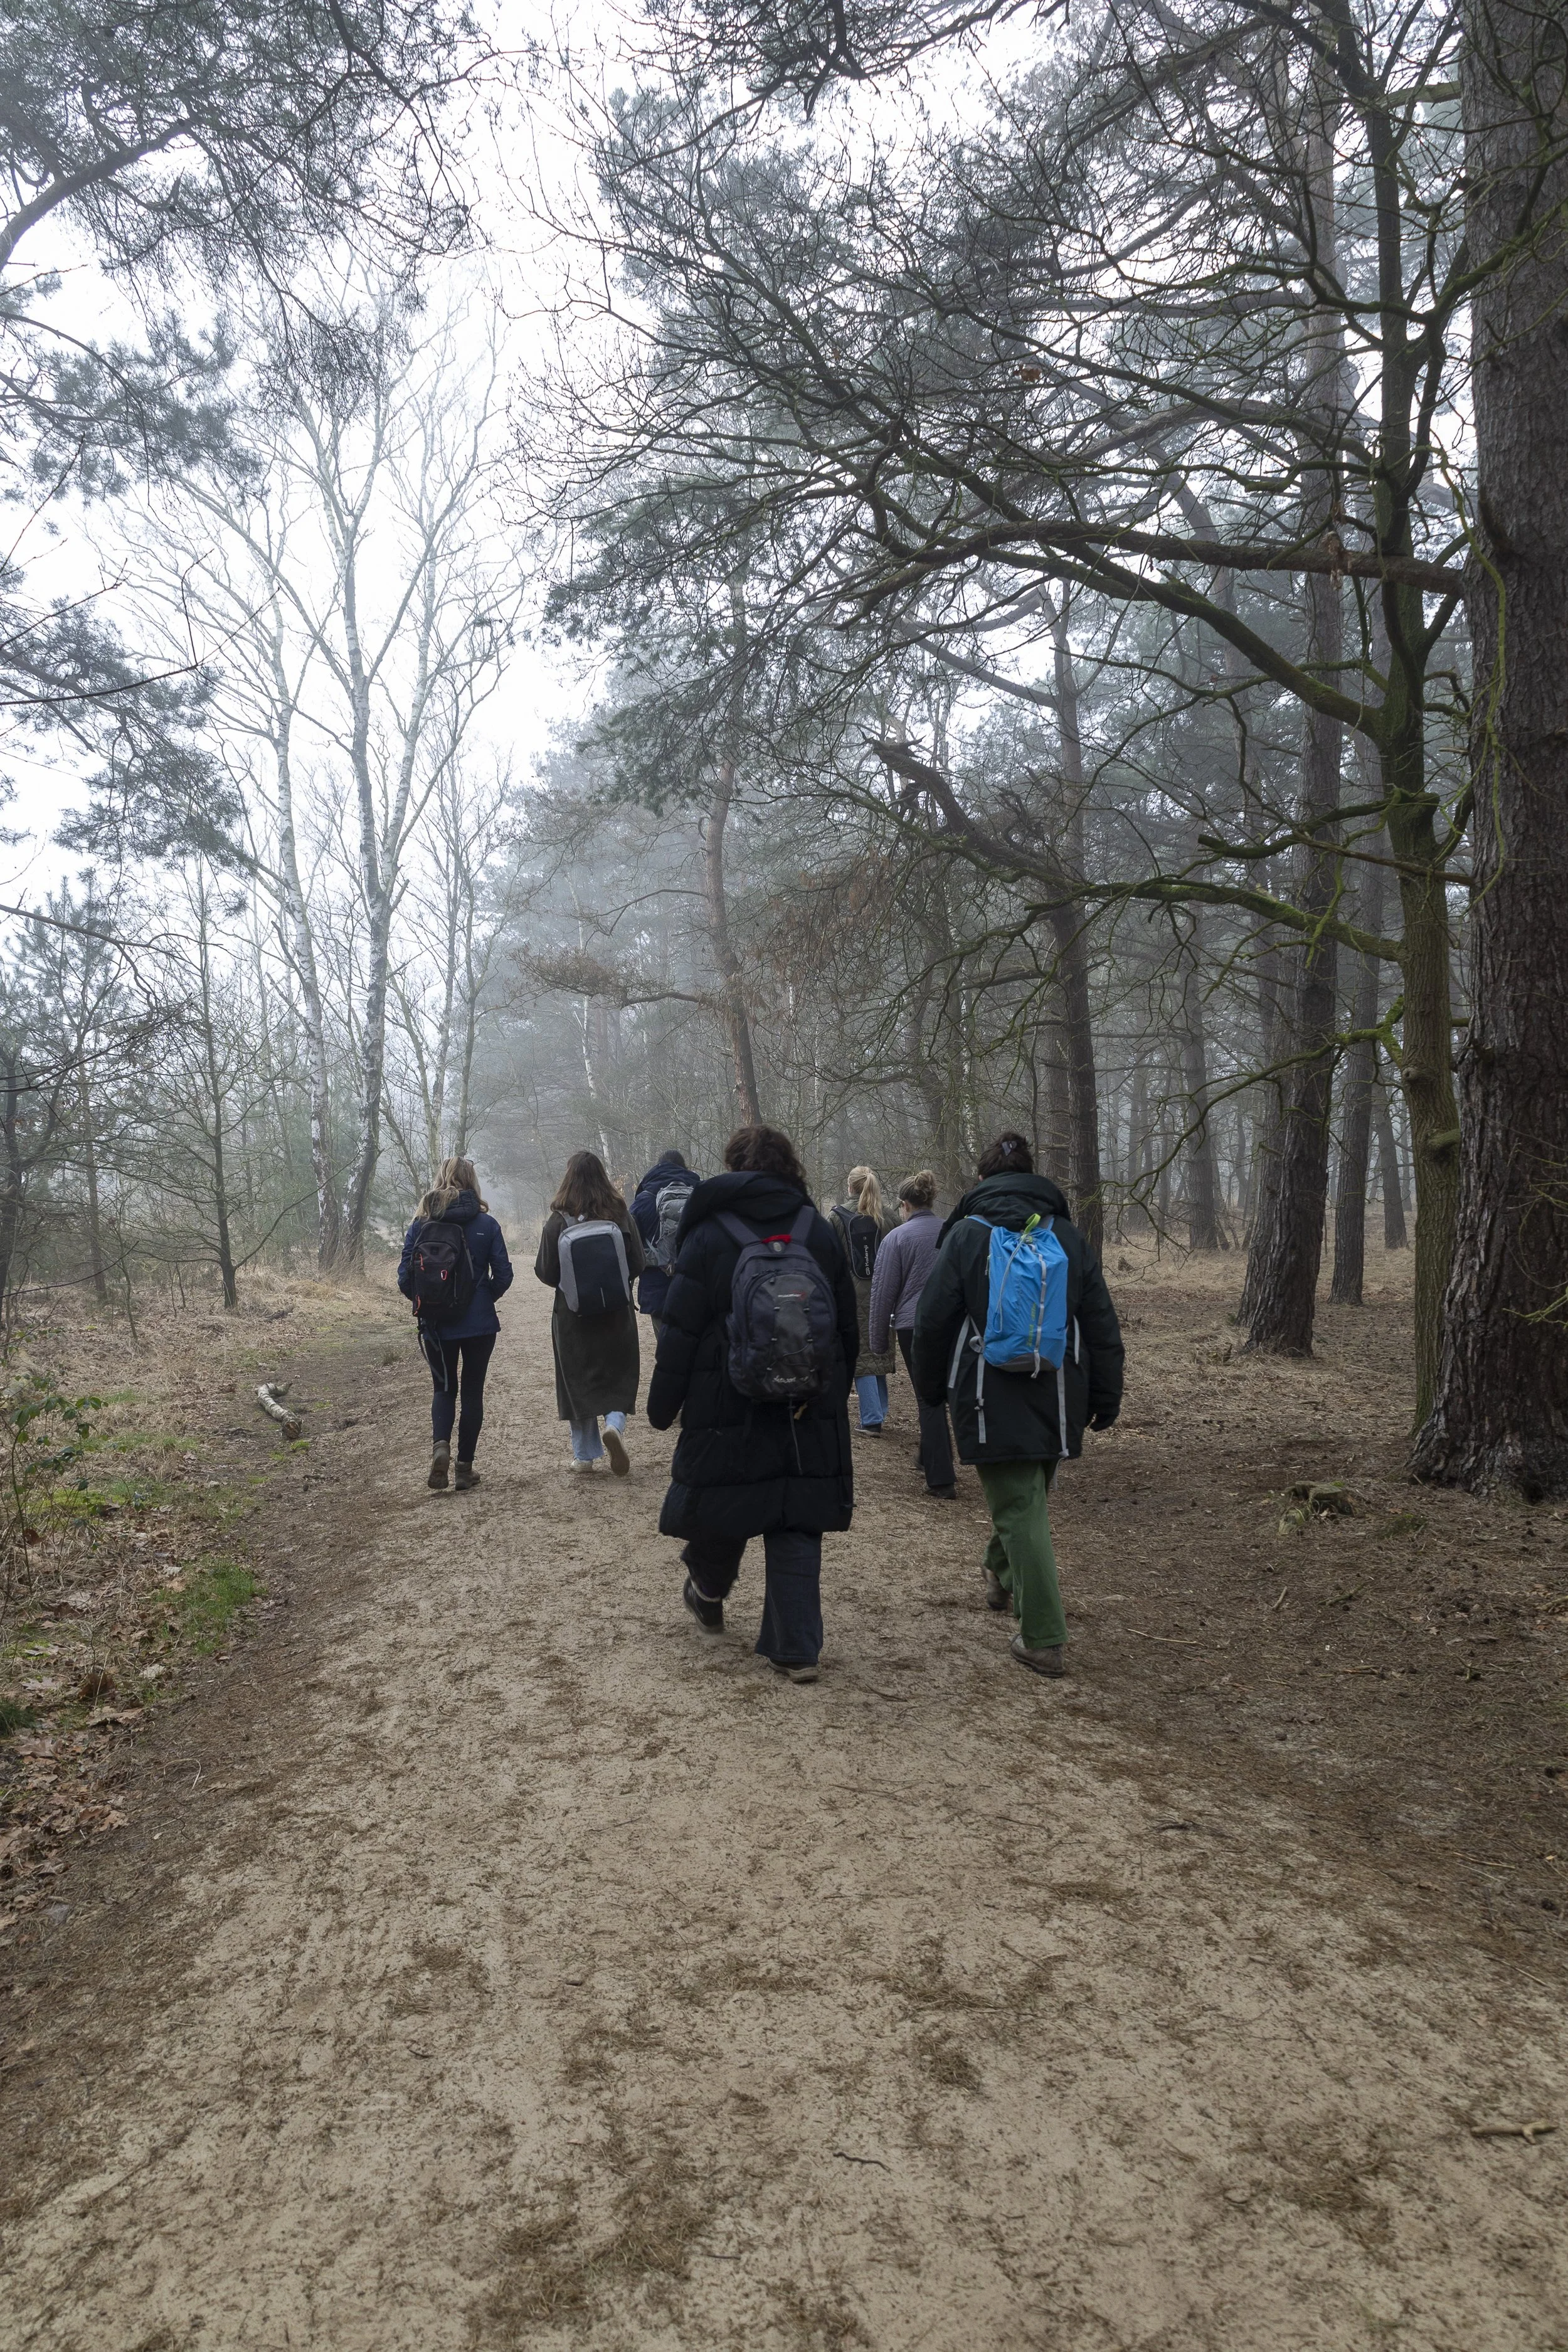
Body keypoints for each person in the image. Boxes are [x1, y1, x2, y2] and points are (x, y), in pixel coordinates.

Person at [647, 1122, 859, 1683]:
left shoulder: (710, 1232)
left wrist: (662, 1405)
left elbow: (681, 1330)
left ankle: (709, 1591)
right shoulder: (817, 1229)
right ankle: (797, 1649)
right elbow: (845, 1324)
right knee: (796, 1515)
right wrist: (839, 1388)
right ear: (790, 1168)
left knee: (726, 1504)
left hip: (726, 1402)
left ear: (735, 1167)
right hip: (807, 1405)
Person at [911, 1131, 1123, 1677]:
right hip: (1058, 1393)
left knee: (1019, 1507)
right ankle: (998, 1571)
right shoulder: (1069, 1238)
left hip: (987, 1394)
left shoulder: (965, 1237)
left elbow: (932, 1323)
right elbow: (1100, 1323)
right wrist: (1105, 1395)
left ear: (980, 1183)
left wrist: (931, 1393)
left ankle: (1043, 1637)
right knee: (1025, 1500)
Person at [397, 1155, 514, 1493]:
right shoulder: (486, 1224)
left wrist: (426, 1304)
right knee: (473, 1391)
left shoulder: (422, 1222)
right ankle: (464, 1469)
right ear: (472, 1181)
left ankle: (440, 1448)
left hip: (437, 1324)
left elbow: (405, 1276)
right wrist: (482, 1299)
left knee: (444, 1389)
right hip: (479, 1323)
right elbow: (504, 1275)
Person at [534, 1150, 646, 1475]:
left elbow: (545, 1272)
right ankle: (614, 1424)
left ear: (567, 1178)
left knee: (577, 1379)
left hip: (573, 1316)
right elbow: (638, 1262)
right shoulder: (620, 1213)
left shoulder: (558, 1220)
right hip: (616, 1312)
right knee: (619, 1371)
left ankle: (585, 1455)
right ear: (602, 1177)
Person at [868, 1169, 956, 1498]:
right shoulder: (952, 1231)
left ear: (904, 1205)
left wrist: (878, 1341)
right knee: (943, 1391)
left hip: (912, 1325)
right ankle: (931, 1454)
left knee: (927, 1397)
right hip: (953, 1324)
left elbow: (882, 1293)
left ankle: (941, 1478)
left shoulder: (898, 1239)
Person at [830, 1164, 896, 1434]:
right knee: (878, 1349)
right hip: (885, 1291)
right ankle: (879, 1408)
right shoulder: (889, 1216)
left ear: (850, 1187)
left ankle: (871, 1418)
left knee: (860, 1354)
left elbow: (830, 1258)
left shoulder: (838, 1217)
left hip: (852, 1294)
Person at [629, 1148, 703, 1339]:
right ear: (684, 1168)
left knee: (668, 1351)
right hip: (697, 1288)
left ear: (658, 1167)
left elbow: (631, 1245)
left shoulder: (643, 1200)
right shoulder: (702, 1196)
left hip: (658, 1291)